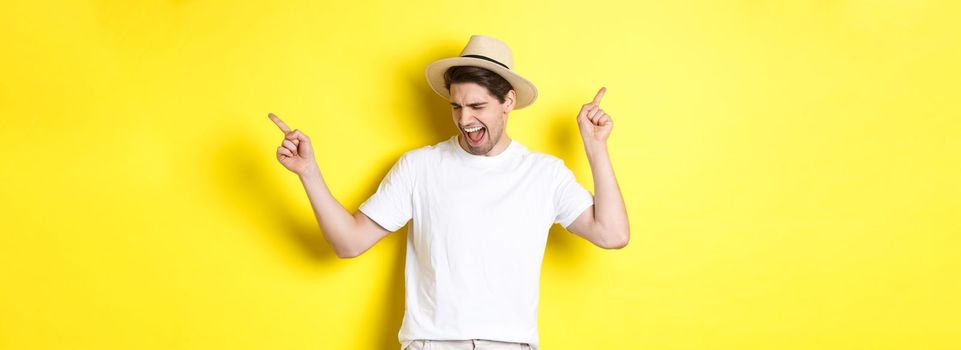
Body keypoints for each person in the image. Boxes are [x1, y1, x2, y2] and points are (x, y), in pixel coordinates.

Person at [268, 34, 629, 350]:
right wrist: (309, 172)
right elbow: (349, 243)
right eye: (456, 106)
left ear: (508, 102)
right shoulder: (420, 167)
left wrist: (595, 146)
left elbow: (612, 234)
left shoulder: (544, 174)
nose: (464, 119)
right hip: (431, 343)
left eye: (477, 106)